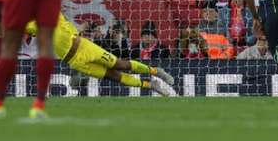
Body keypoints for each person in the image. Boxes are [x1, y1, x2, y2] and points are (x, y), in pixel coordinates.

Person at [28, 14, 174, 94]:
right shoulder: (30, 24)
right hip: (74, 61)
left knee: (119, 64)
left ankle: (156, 71)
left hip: (84, 47)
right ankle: (150, 85)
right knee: (114, 76)